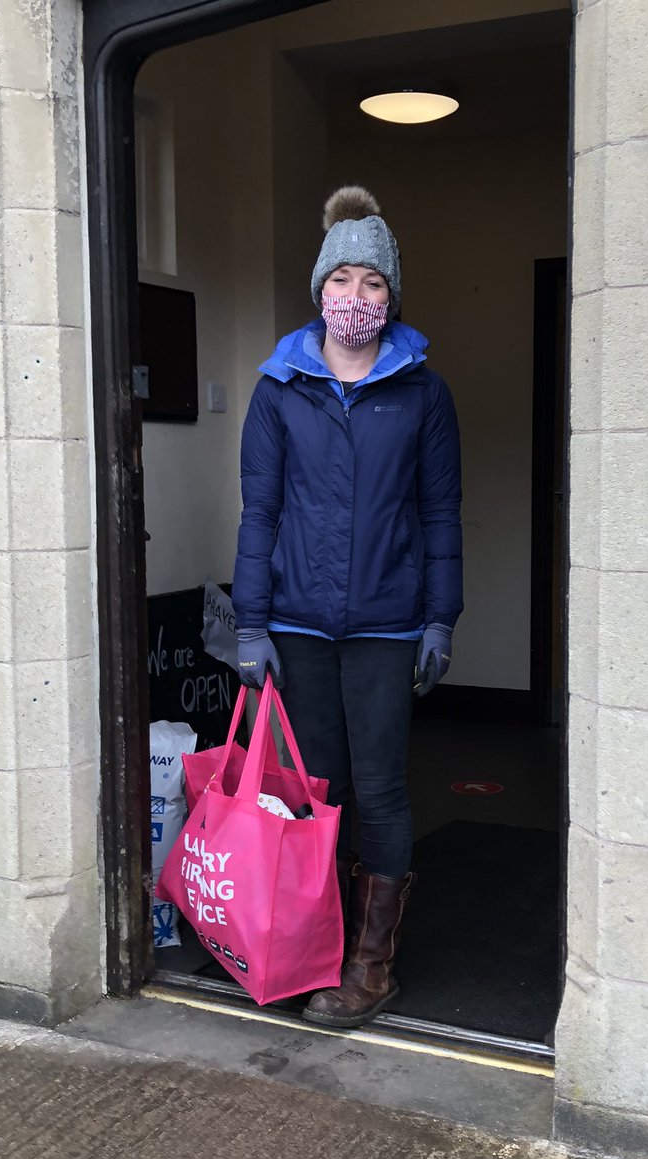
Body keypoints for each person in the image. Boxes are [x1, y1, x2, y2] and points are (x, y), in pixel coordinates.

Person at [232, 186, 463, 1029]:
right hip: (296, 624)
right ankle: (314, 950)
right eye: (342, 280)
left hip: (386, 627)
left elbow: (440, 514)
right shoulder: (279, 389)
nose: (355, 296)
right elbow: (259, 512)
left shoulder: (422, 393)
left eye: (373, 282)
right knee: (312, 793)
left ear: (391, 297)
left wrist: (440, 617)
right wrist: (251, 624)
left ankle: (370, 967)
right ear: (319, 289)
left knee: (381, 789)